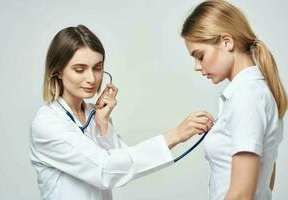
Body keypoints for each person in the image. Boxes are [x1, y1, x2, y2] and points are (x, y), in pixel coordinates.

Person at [29, 24, 215, 200]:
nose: (91, 78)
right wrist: (175, 135)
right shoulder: (47, 123)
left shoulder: (96, 115)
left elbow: (122, 172)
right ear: (58, 71)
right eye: (79, 69)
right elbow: (105, 170)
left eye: (98, 68)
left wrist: (103, 126)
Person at [181, 0, 287, 199]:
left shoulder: (247, 96)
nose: (196, 66)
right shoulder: (251, 92)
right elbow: (267, 178)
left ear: (227, 42)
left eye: (200, 56)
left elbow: (241, 195)